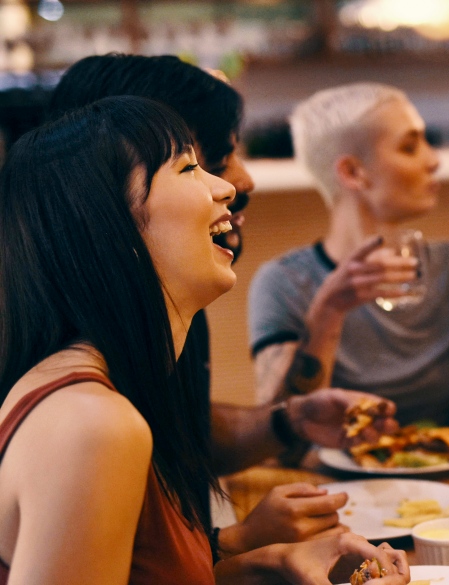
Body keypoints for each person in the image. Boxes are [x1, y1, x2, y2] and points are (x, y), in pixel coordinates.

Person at [0, 95, 408, 584]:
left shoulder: (97, 390)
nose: (226, 187)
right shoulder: (94, 426)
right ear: (111, 223)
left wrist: (268, 564)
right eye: (189, 167)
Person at [249, 83, 449, 426]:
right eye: (409, 146)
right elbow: (280, 438)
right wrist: (329, 310)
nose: (434, 160)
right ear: (352, 172)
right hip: (329, 478)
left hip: (443, 473)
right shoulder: (285, 283)